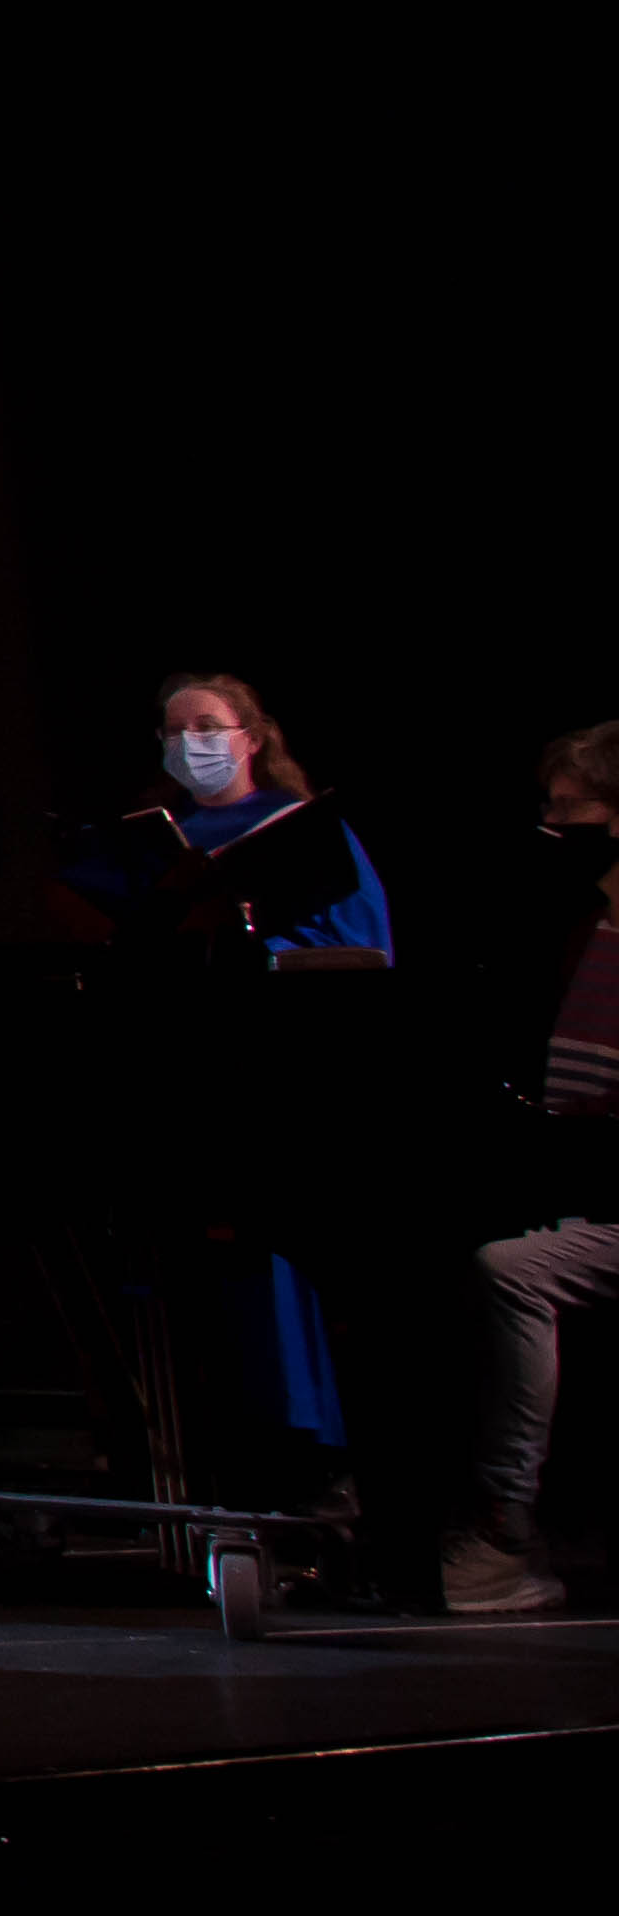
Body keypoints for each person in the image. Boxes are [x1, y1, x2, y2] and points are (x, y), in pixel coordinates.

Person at [60, 667, 394, 1512]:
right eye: (174, 732)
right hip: (180, 1077)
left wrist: (250, 936)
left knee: (276, 1261)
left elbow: (358, 947)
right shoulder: (152, 842)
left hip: (283, 1076)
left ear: (251, 735)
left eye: (207, 726)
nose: (190, 745)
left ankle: (313, 1456)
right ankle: (198, 1462)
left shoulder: (302, 829)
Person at [438, 721, 619, 1617]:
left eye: (568, 807)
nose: (551, 825)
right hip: (596, 1187)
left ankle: (507, 1529)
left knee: (514, 1269)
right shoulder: (588, 923)